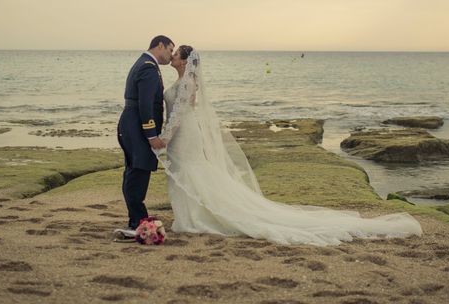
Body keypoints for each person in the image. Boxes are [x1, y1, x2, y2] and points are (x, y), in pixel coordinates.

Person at [156, 45, 423, 246]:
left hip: (184, 132)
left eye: (177, 53)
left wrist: (164, 137)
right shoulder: (185, 81)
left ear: (184, 60)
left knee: (194, 170)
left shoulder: (188, 81)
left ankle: (194, 218)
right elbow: (187, 108)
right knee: (192, 170)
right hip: (186, 131)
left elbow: (180, 112)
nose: (174, 56)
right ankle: (190, 216)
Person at [115, 35, 174, 237]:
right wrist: (151, 135)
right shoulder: (149, 67)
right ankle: (137, 222)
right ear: (160, 45)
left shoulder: (144, 63)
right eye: (170, 49)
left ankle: (136, 219)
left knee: (134, 171)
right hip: (137, 128)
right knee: (137, 172)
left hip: (131, 125)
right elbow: (146, 105)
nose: (171, 55)